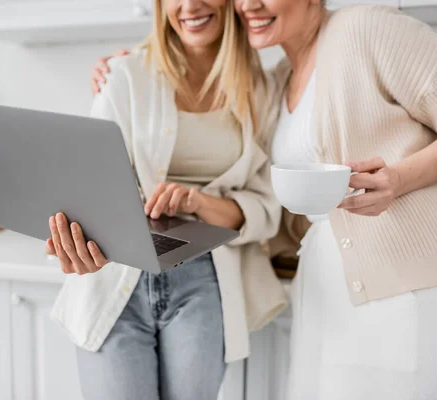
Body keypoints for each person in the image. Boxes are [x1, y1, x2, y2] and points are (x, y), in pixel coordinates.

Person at [91, 1, 437, 399]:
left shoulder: (367, 28)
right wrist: (125, 67)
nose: (249, 4)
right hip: (327, 292)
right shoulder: (276, 81)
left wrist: (399, 179)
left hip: (401, 287)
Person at [45, 1, 288, 399]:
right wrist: (73, 238)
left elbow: (265, 209)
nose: (190, 6)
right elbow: (87, 187)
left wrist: (198, 202)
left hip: (204, 280)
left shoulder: (260, 90)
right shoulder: (124, 75)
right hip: (116, 279)